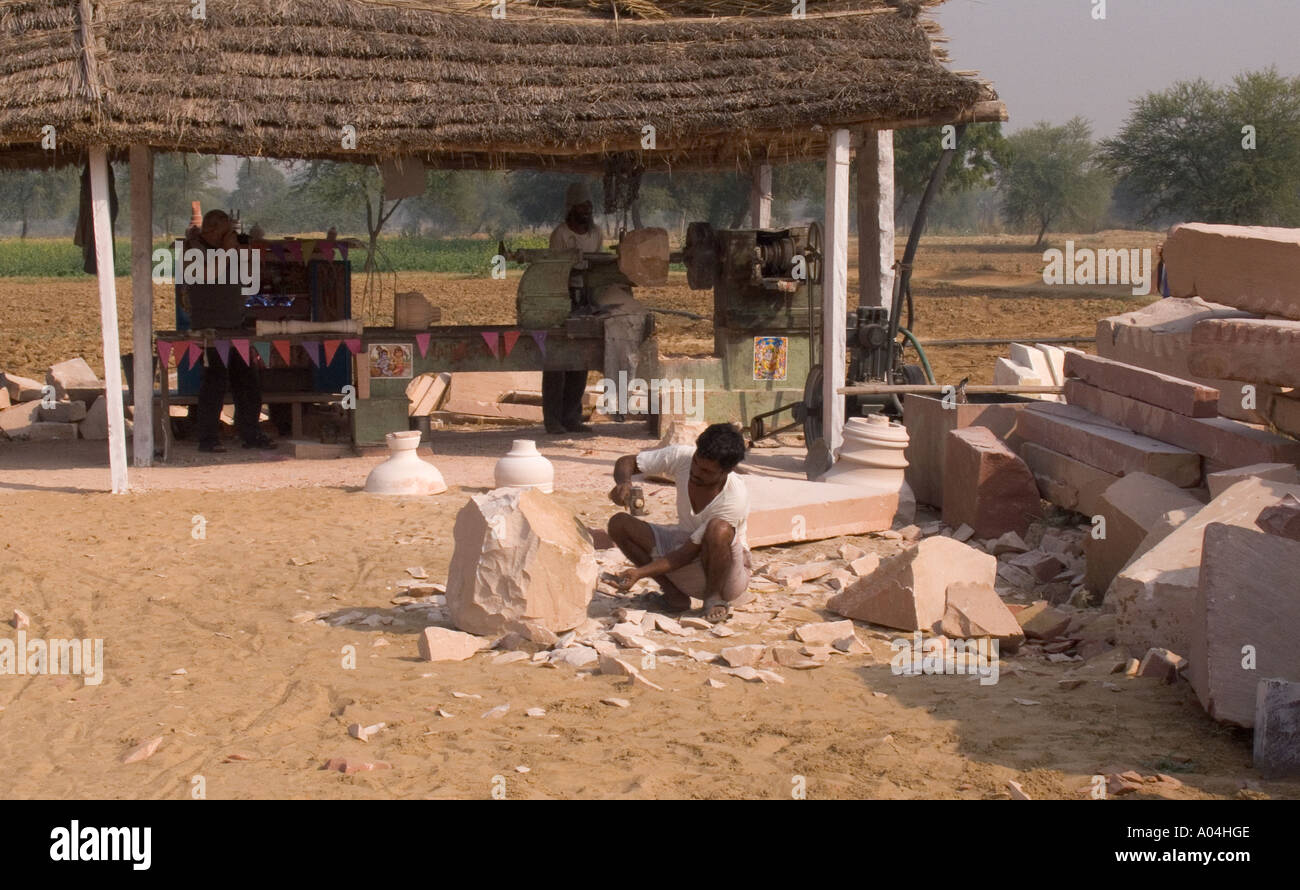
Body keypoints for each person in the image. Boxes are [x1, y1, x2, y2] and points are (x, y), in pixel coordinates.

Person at [606, 424, 752, 624]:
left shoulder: (735, 497)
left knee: (718, 529)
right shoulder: (683, 457)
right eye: (696, 463)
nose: (696, 472)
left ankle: (713, 598)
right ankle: (674, 595)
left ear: (726, 471)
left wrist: (639, 573)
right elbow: (627, 462)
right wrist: (624, 482)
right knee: (619, 524)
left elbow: (687, 553)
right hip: (686, 548)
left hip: (726, 575)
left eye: (707, 471)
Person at [185, 210, 274, 453]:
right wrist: (226, 251)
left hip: (235, 325)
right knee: (214, 383)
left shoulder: (228, 253)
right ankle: (208, 438)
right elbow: (206, 276)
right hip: (210, 327)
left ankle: (250, 433)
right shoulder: (194, 250)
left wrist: (239, 250)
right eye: (225, 233)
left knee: (247, 381)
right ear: (212, 230)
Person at [542, 182, 604, 434]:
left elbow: (599, 265)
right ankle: (553, 420)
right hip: (561, 295)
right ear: (572, 208)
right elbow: (557, 269)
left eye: (589, 206)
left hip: (587, 296)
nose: (587, 210)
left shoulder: (596, 233)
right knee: (557, 359)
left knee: (581, 358)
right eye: (582, 206)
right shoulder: (560, 235)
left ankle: (572, 417)